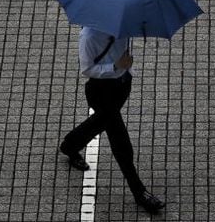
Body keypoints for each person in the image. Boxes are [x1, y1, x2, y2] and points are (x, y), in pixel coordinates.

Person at [59, 27, 165, 213]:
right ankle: (139, 192)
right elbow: (87, 69)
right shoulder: (89, 36)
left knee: (99, 123)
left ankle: (69, 145)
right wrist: (115, 67)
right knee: (120, 142)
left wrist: (125, 67)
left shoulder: (124, 23)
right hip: (101, 92)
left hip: (122, 85)